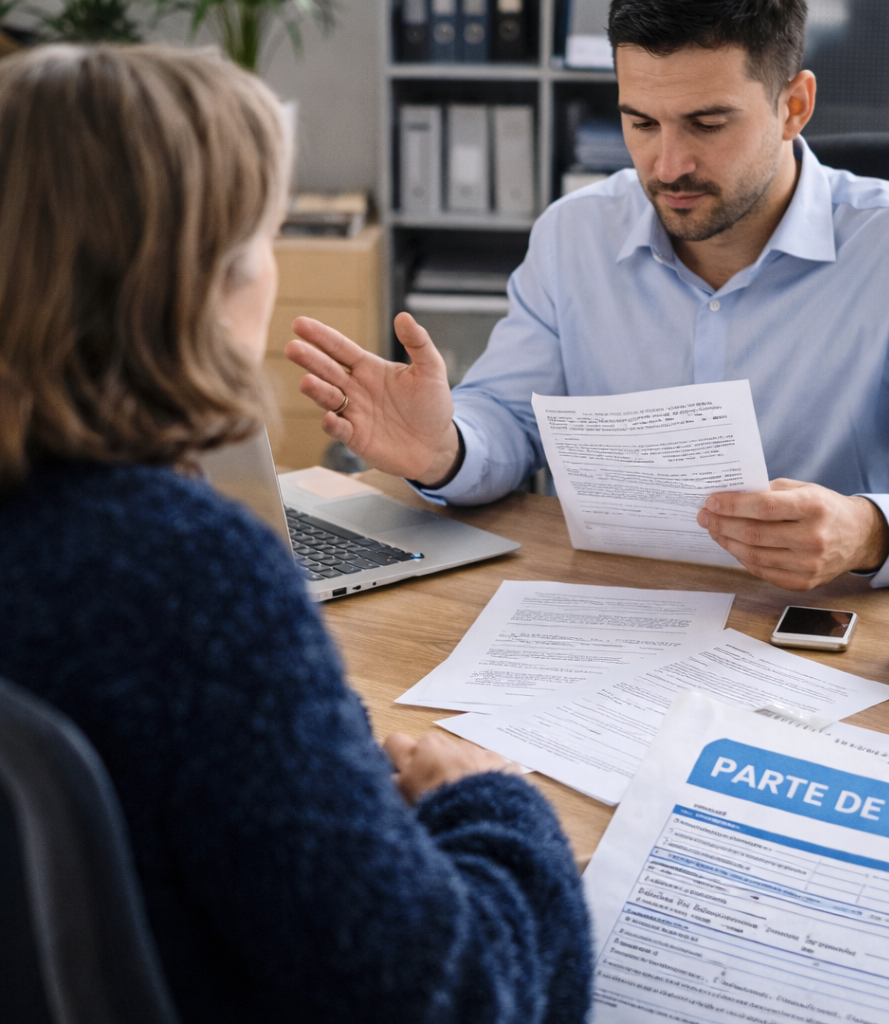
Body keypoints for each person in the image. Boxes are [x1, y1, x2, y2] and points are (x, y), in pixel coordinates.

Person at [0, 45, 591, 1024]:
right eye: (266, 238)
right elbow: (456, 998)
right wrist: (496, 804)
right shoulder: (186, 574)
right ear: (203, 282)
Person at [286, 0, 889, 592]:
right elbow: (510, 421)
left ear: (794, 105)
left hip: (830, 637)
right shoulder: (574, 234)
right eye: (640, 122)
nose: (668, 165)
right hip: (608, 614)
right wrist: (444, 448)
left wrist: (870, 531)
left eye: (707, 123)